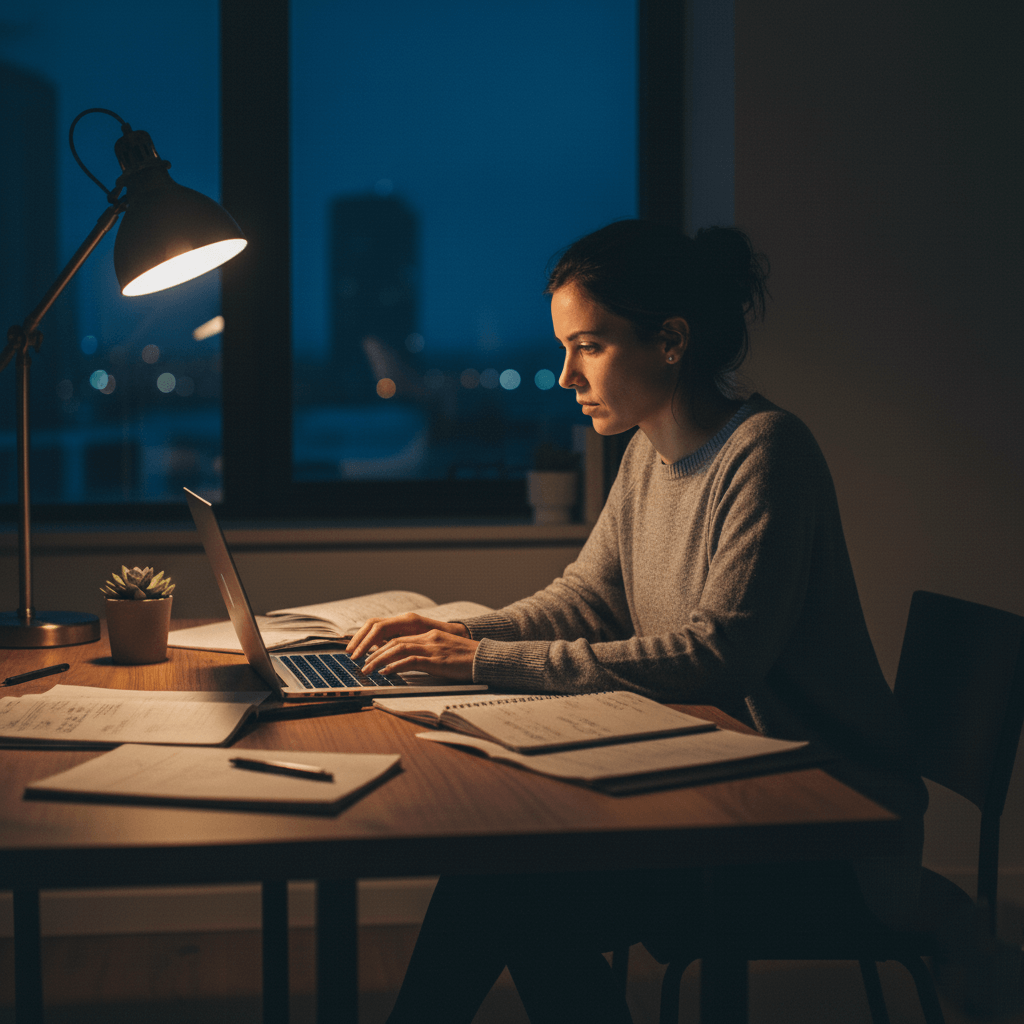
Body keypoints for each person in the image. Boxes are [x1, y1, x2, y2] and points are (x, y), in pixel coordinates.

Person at [347, 219, 928, 1024]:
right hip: (719, 799)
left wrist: (478, 664)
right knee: (498, 878)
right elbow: (585, 596)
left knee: (506, 887)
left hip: (820, 820)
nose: (563, 375)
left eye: (587, 346)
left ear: (672, 340)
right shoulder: (647, 456)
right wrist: (460, 638)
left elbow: (719, 659)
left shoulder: (767, 452)